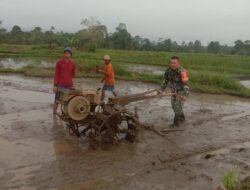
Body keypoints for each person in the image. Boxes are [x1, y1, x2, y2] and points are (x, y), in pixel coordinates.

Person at [160, 56, 189, 127]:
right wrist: (162, 89)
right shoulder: (168, 70)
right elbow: (165, 80)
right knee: (174, 106)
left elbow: (186, 84)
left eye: (174, 63)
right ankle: (182, 117)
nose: (172, 64)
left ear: (178, 63)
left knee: (177, 107)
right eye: (171, 63)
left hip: (181, 92)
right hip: (173, 91)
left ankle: (176, 124)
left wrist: (185, 95)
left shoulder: (183, 72)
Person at [53, 47, 76, 114]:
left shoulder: (72, 64)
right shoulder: (59, 62)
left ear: (71, 55)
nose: (67, 54)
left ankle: (66, 114)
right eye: (66, 53)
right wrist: (55, 85)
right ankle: (54, 114)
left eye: (69, 53)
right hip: (60, 85)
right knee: (57, 100)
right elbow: (56, 74)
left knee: (68, 101)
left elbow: (73, 75)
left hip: (69, 86)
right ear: (63, 54)